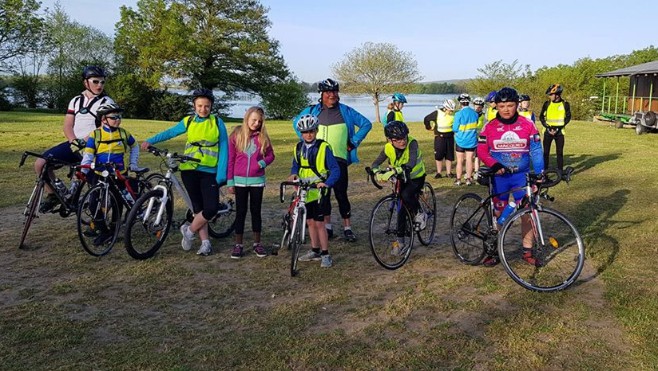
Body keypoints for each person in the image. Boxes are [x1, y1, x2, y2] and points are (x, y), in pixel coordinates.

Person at [141, 88, 228, 256]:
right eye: (200, 105)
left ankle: (189, 231)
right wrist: (150, 140)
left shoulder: (217, 123)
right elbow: (171, 132)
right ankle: (205, 243)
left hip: (209, 171)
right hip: (189, 169)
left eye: (207, 106)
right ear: (194, 105)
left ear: (211, 107)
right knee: (197, 208)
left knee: (210, 209)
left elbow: (224, 147)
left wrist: (221, 174)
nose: (203, 109)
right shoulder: (189, 121)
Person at [292, 78, 372, 242]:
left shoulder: (346, 111)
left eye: (335, 91)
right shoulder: (313, 110)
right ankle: (327, 227)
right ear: (321, 94)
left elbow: (366, 124)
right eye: (328, 92)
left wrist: (353, 142)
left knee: (341, 194)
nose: (332, 95)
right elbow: (296, 123)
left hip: (339, 158)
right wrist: (305, 139)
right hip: (319, 160)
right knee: (324, 195)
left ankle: (347, 227)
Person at [477, 87, 544, 266]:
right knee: (499, 214)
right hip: (500, 177)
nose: (506, 109)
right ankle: (495, 250)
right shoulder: (489, 126)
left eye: (510, 105)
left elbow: (536, 150)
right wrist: (495, 165)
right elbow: (481, 149)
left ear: (517, 105)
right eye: (502, 106)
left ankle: (527, 251)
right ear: (496, 107)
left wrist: (539, 174)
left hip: (521, 176)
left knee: (528, 213)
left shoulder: (528, 124)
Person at [36, 66, 114, 212]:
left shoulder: (107, 102)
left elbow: (106, 127)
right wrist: (73, 141)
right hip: (74, 143)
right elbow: (67, 125)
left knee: (96, 185)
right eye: (95, 82)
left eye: (102, 82)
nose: (100, 85)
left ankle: (99, 222)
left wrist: (84, 141)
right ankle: (53, 195)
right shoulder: (76, 101)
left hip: (95, 147)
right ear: (86, 83)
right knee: (41, 164)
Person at [81, 103, 141, 245]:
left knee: (117, 203)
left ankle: (113, 231)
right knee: (93, 203)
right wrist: (83, 169)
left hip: (119, 174)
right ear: (103, 119)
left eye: (119, 117)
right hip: (100, 173)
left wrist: (133, 163)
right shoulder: (96, 134)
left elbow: (135, 146)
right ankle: (103, 230)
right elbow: (88, 153)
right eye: (114, 117)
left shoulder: (123, 133)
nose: (118, 120)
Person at [289, 115, 341, 268]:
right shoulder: (298, 148)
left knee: (319, 223)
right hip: (304, 191)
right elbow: (295, 166)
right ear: (301, 133)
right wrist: (293, 174)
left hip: (319, 191)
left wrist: (327, 183)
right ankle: (315, 249)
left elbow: (335, 169)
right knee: (310, 222)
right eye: (305, 132)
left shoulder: (324, 148)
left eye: (311, 131)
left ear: (317, 131)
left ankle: (326, 254)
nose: (308, 134)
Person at [371, 121, 427, 254]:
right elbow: (376, 162)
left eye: (404, 138)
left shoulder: (412, 143)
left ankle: (420, 212)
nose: (402, 142)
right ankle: (400, 242)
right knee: (401, 206)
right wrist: (375, 171)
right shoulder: (387, 148)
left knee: (407, 195)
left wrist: (398, 169)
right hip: (401, 177)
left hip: (416, 176)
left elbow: (412, 161)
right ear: (389, 140)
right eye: (397, 139)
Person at [226, 106, 275, 259]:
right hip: (239, 181)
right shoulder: (236, 135)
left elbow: (271, 155)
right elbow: (231, 159)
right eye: (254, 120)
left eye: (259, 121)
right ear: (247, 118)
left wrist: (261, 164)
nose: (256, 123)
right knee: (240, 212)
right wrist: (230, 181)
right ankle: (238, 244)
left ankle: (257, 243)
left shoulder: (263, 137)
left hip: (257, 181)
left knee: (256, 211)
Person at [539, 84, 571, 175]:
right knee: (546, 153)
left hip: (560, 132)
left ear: (557, 95)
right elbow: (541, 117)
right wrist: (547, 127)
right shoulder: (547, 104)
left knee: (559, 153)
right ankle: (544, 171)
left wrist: (558, 128)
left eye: (551, 94)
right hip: (548, 131)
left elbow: (568, 118)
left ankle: (560, 172)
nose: (550, 96)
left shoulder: (565, 104)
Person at [423, 99, 456, 179]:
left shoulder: (454, 115)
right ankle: (439, 172)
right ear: (445, 108)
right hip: (439, 137)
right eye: (449, 110)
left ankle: (449, 173)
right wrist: (429, 127)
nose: (451, 112)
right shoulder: (437, 113)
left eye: (452, 111)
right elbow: (426, 119)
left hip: (450, 137)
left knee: (449, 155)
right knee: (439, 155)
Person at [452, 93, 479, 186]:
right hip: (471, 140)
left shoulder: (458, 114)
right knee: (469, 160)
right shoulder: (475, 113)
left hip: (460, 140)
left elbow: (455, 128)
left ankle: (458, 179)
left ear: (460, 103)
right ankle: (468, 179)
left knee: (459, 160)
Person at [472, 96, 486, 176]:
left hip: (481, 136)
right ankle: (469, 170)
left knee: (478, 154)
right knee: (470, 154)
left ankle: (477, 171)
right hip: (472, 136)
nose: (478, 108)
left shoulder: (484, 116)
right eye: (476, 106)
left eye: (480, 107)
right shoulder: (471, 115)